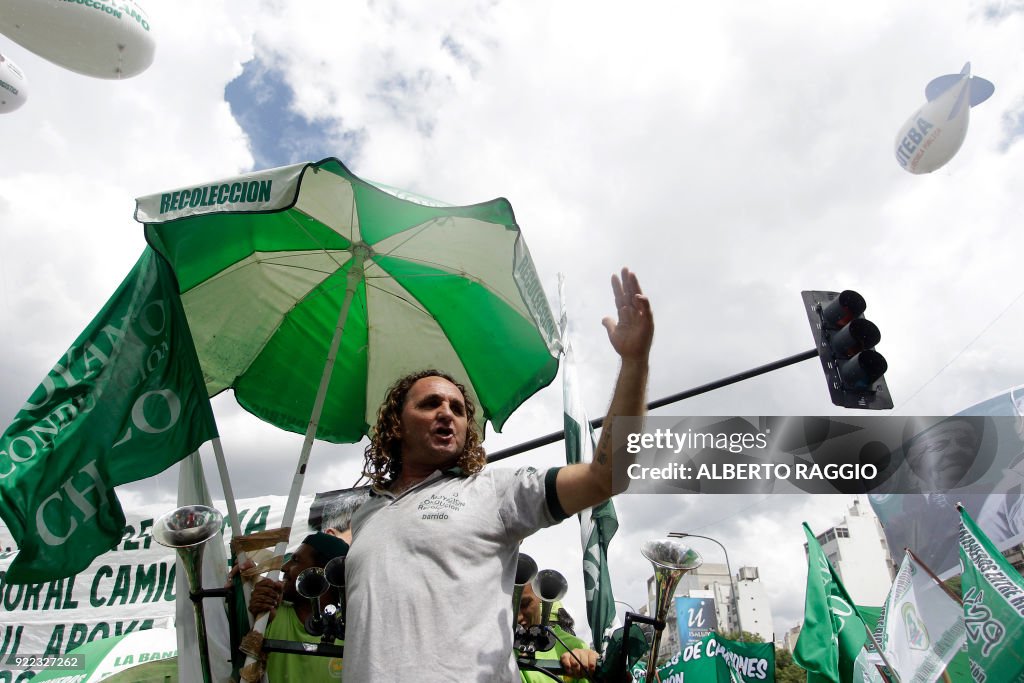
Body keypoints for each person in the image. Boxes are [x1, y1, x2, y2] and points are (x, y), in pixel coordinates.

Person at [343, 268, 653, 681]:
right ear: (396, 425)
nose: (447, 414)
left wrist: (635, 362)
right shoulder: (365, 516)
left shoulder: (494, 491)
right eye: (430, 404)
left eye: (457, 409)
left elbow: (607, 477)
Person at [249, 532, 349, 681]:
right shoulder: (269, 611)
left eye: (295, 560)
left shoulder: (352, 626)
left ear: (322, 573)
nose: (284, 567)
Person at [516, 582, 598, 682]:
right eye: (509, 607)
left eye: (525, 604)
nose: (518, 617)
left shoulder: (573, 646)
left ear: (539, 596)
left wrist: (591, 663)